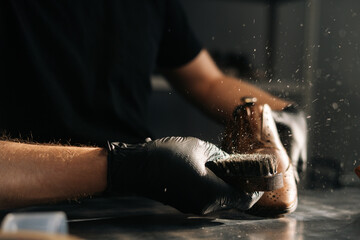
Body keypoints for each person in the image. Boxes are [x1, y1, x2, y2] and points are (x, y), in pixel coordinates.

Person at [0, 0, 306, 215]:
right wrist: (121, 167)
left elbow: (206, 80)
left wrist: (282, 111)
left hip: (136, 203)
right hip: (26, 208)